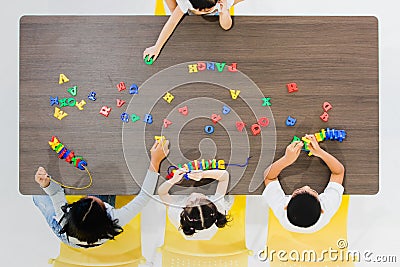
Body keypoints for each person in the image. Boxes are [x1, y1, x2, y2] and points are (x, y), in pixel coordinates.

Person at [33, 138, 169, 248]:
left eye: (85, 198)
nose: (92, 196)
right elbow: (144, 197)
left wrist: (47, 184)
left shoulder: (64, 218)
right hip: (82, 235)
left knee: (38, 192)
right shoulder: (115, 219)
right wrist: (155, 160)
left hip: (70, 231)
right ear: (107, 214)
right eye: (100, 203)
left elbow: (56, 193)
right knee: (37, 196)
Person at [263, 135, 345, 233]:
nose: (307, 186)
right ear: (322, 209)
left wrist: (287, 160)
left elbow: (269, 177)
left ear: (286, 206)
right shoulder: (328, 206)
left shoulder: (280, 209)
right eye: (313, 191)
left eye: (298, 191)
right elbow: (338, 172)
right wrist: (320, 152)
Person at [143, 0, 244, 62]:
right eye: (200, 10)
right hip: (188, 6)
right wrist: (157, 47)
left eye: (207, 10)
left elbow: (226, 26)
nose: (203, 12)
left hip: (217, 7)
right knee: (176, 13)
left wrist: (224, 12)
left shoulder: (223, 2)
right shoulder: (185, 2)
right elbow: (172, 22)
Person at [158, 168, 232, 240]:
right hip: (209, 233)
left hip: (195, 232)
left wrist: (173, 180)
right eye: (201, 199)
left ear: (184, 210)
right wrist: (202, 174)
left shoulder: (176, 212)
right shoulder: (219, 206)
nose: (194, 195)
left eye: (191, 203)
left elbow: (162, 193)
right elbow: (224, 176)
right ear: (212, 204)